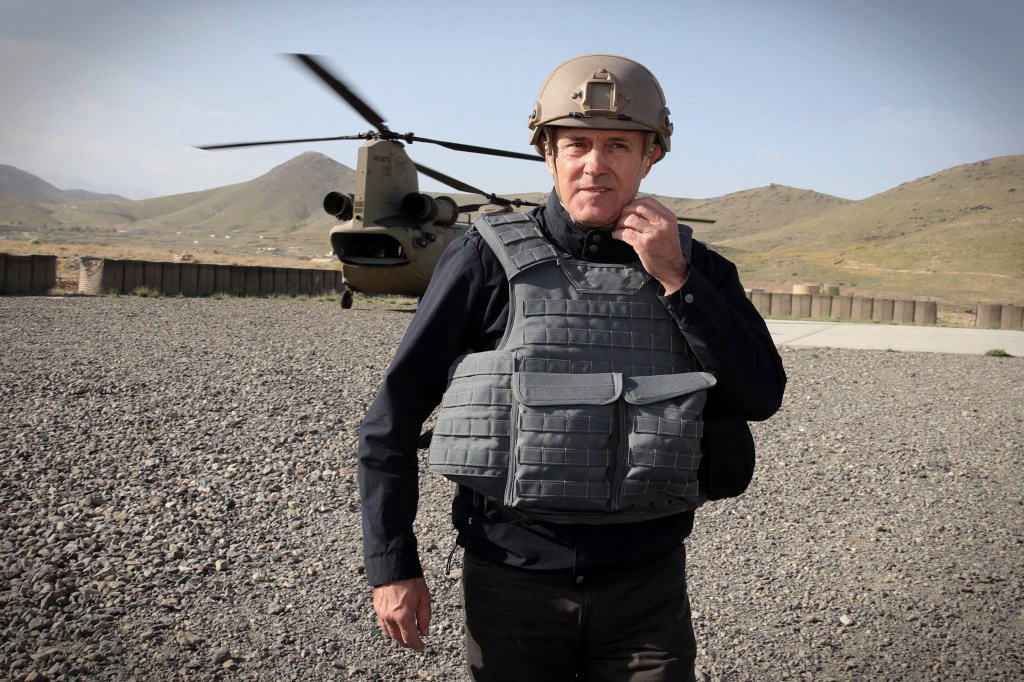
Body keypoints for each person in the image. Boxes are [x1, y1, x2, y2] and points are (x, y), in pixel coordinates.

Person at [357, 54, 786, 681]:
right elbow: (390, 420)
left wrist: (676, 277)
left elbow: (760, 394)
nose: (595, 164)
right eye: (576, 143)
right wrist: (392, 565)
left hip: (647, 587)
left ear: (651, 156)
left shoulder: (699, 269)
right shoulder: (483, 260)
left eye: (618, 144)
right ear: (548, 153)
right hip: (512, 583)